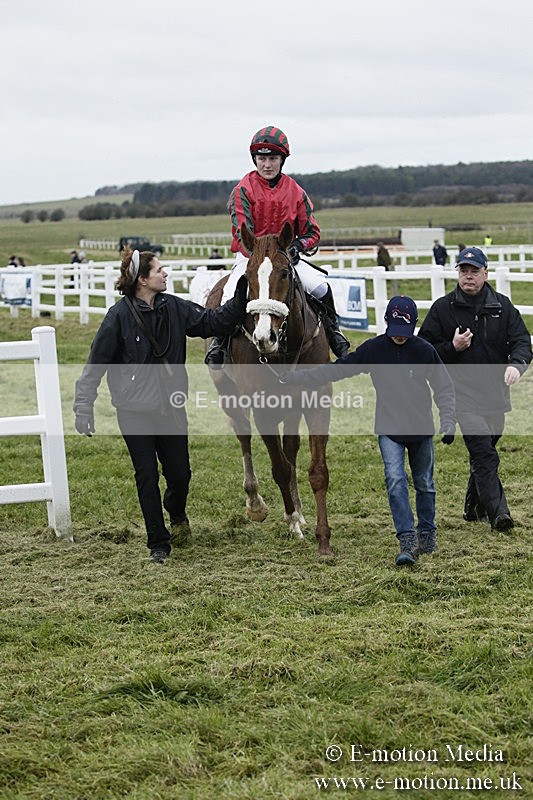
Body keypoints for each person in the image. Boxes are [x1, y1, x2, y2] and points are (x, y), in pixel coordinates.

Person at [73, 247, 248, 564]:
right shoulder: (118, 317)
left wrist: (241, 294)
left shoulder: (174, 308)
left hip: (171, 408)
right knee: (146, 476)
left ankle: (177, 512)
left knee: (180, 474)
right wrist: (83, 406)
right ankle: (159, 544)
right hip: (133, 411)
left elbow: (214, 322)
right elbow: (96, 364)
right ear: (142, 279)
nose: (165, 273)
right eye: (159, 270)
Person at [279, 296, 456, 566]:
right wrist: (295, 378)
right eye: (395, 331)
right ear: (386, 323)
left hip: (421, 429)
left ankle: (428, 532)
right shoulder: (374, 350)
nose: (399, 338)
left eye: (404, 333)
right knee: (395, 481)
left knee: (425, 484)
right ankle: (407, 538)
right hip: (389, 428)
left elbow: (443, 386)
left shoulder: (424, 351)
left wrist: (448, 419)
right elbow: (335, 371)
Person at [205, 125, 349, 366]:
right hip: (251, 257)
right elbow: (242, 233)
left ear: (282, 160)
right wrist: (260, 255)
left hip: (285, 258)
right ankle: (219, 343)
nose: (267, 165)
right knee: (231, 291)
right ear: (255, 160)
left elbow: (312, 232)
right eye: (262, 159)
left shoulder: (296, 192)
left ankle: (335, 334)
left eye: (273, 158)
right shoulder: (242, 190)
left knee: (321, 287)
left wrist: (296, 246)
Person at [418, 246, 532, 532]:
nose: (468, 277)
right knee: (484, 453)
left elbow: (522, 341)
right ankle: (499, 514)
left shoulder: (502, 307)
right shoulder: (443, 309)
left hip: (496, 397)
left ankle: (472, 506)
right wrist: (452, 348)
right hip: (461, 398)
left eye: (474, 271)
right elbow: (423, 351)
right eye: (463, 271)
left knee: (486, 449)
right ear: (458, 273)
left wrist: (517, 365)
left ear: (485, 273)